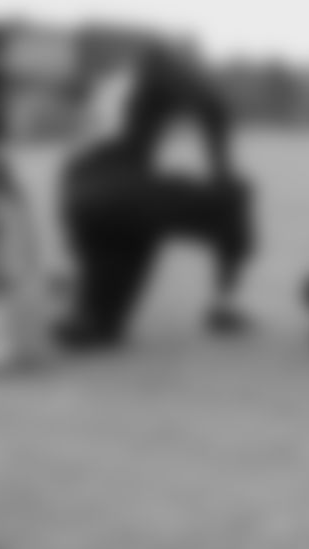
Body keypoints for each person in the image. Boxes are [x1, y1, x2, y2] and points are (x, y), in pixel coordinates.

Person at [56, 45, 257, 351]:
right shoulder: (160, 66)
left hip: (78, 197)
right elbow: (213, 107)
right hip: (120, 191)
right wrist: (221, 171)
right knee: (234, 197)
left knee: (132, 227)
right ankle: (223, 306)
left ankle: (93, 317)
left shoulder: (115, 81)